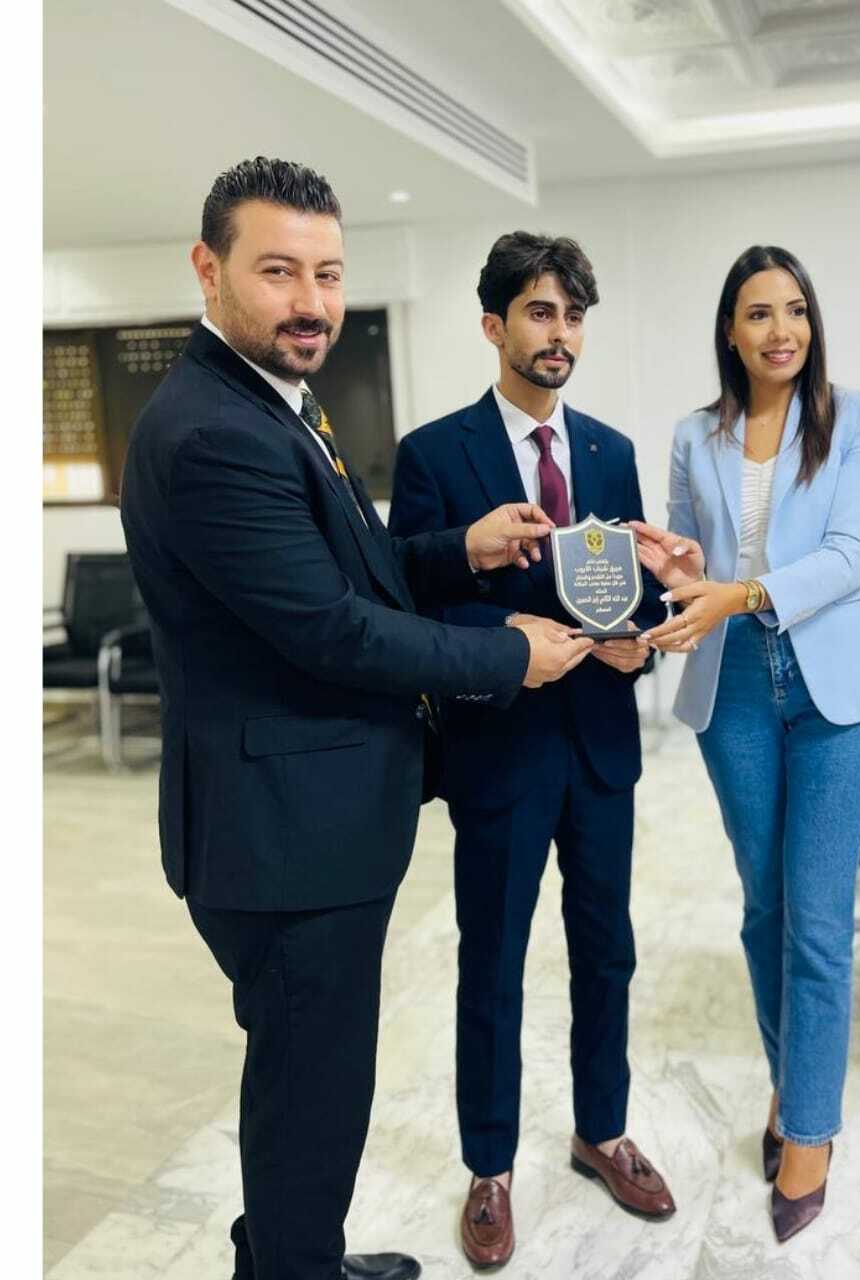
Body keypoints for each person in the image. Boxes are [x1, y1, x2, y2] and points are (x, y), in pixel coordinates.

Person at [120, 159, 594, 1280]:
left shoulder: (272, 399)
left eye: (328, 274)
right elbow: (334, 632)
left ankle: (297, 1255)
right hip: (282, 837)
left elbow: (351, 569)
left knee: (308, 1083)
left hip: (305, 823)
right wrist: (508, 655)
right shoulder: (215, 432)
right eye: (278, 271)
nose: (311, 302)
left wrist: (458, 548)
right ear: (208, 268)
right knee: (312, 1092)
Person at [388, 231, 674, 1269]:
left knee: (607, 950)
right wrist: (503, 636)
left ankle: (603, 1131)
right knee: (494, 961)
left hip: (598, 747)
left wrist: (644, 630)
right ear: (494, 324)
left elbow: (626, 590)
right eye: (541, 312)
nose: (559, 334)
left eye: (573, 316)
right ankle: (489, 1166)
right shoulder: (435, 454)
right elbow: (411, 596)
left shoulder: (608, 451)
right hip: (499, 749)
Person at [631, 245, 860, 1243]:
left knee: (817, 922)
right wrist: (679, 567)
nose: (780, 329)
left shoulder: (854, 417)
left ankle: (809, 1133)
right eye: (758, 312)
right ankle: (794, 1083)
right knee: (763, 910)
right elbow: (688, 561)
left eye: (794, 309)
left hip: (832, 686)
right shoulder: (693, 433)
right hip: (735, 683)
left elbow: (850, 556)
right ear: (731, 330)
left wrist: (741, 590)